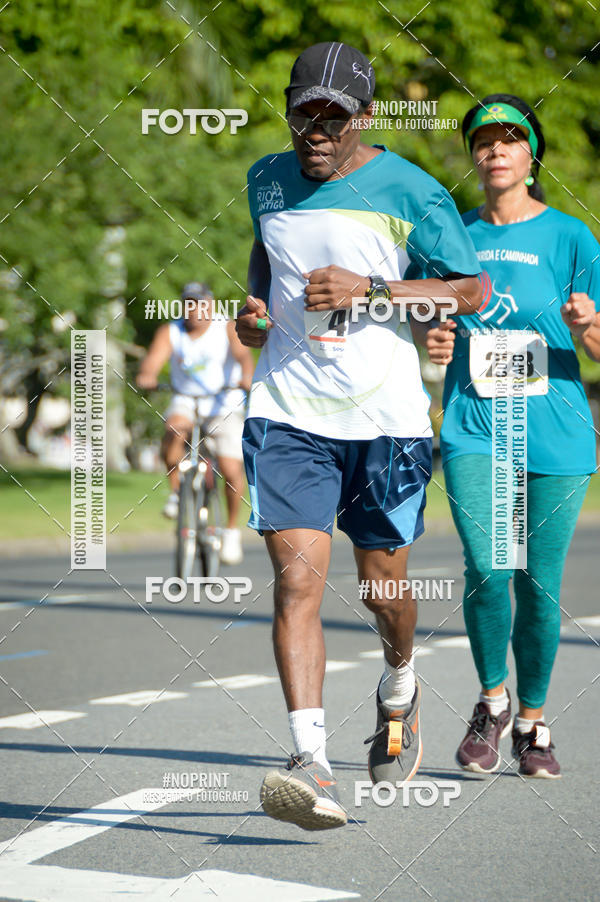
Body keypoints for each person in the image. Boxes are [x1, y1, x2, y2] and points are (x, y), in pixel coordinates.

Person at [235, 41, 482, 830]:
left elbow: (471, 288)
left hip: (386, 423)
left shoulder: (411, 188)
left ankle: (400, 678)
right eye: (303, 110)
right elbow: (264, 256)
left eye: (332, 116)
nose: (315, 128)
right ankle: (311, 762)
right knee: (299, 581)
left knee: (383, 589)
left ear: (364, 117)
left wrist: (373, 285)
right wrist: (254, 309)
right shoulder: (265, 179)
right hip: (289, 412)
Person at [422, 94, 600, 778]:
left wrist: (586, 326)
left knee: (539, 583)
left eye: (508, 139)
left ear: (532, 155)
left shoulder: (572, 238)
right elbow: (430, 318)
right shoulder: (451, 238)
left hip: (555, 430)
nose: (493, 150)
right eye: (482, 140)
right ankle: (491, 701)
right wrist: (433, 336)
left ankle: (533, 721)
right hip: (476, 426)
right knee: (490, 567)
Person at [137, 282, 254, 565]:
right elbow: (153, 361)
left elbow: (243, 357)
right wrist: (147, 376)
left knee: (230, 468)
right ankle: (178, 494)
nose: (193, 309)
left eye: (199, 303)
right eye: (188, 303)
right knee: (174, 430)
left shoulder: (225, 327)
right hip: (186, 398)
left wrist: (247, 378)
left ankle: (230, 531)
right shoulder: (171, 331)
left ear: (210, 304)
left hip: (223, 401)